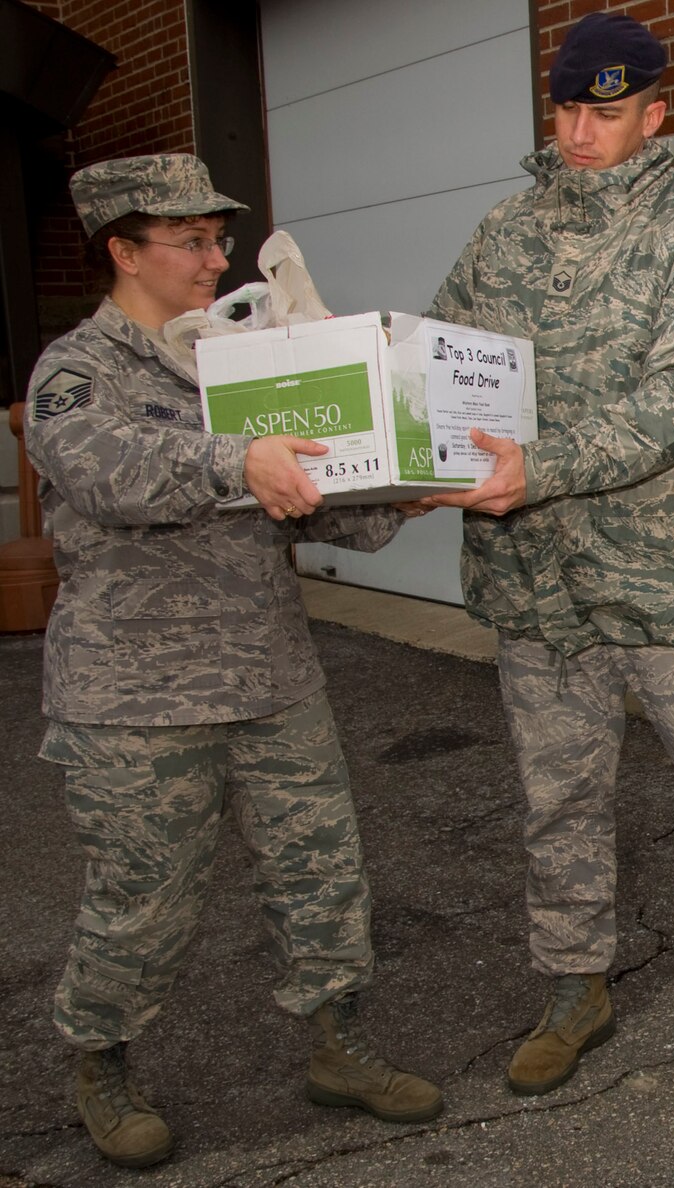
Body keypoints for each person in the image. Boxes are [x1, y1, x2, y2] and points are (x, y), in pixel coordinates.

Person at [422, 12, 674, 1093]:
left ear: (653, 117)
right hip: (538, 583)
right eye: (564, 110)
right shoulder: (504, 232)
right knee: (558, 803)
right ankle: (573, 987)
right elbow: (442, 358)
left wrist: (541, 466)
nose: (577, 133)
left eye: (603, 114)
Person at [23, 154, 442, 1170]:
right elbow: (107, 471)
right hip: (136, 698)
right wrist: (235, 458)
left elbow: (308, 496)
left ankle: (337, 1047)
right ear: (124, 251)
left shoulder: (240, 358)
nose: (218, 261)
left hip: (270, 677)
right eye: (192, 242)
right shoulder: (76, 371)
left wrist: (405, 483)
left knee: (322, 875)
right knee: (142, 899)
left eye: (220, 239)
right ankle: (103, 1066)